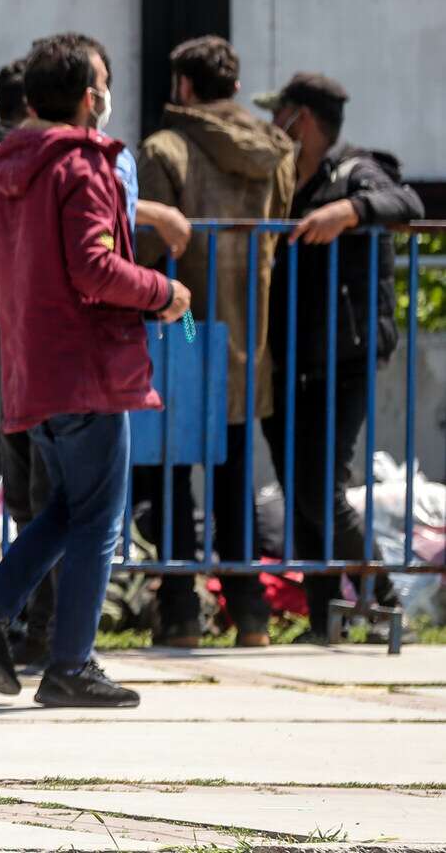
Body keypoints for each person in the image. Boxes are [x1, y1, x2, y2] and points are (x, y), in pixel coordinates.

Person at [0, 32, 191, 708]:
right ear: (89, 96)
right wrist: (163, 293)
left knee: (69, 507)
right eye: (103, 81)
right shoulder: (83, 165)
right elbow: (95, 267)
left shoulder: (4, 169)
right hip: (87, 363)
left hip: (30, 362)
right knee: (98, 516)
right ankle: (69, 664)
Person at [133, 36, 295, 647]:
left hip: (186, 329)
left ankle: (179, 610)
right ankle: (249, 611)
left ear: (184, 86)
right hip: (248, 333)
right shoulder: (274, 153)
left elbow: (148, 248)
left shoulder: (165, 148)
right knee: (234, 473)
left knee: (174, 470)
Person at [253, 72, 422, 639]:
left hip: (343, 355)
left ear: (302, 120)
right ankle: (327, 616)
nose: (271, 126)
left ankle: (385, 599)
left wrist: (346, 212)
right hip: (287, 357)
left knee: (321, 489)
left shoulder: (354, 170)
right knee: (297, 489)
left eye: (280, 116)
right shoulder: (281, 181)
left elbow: (407, 201)